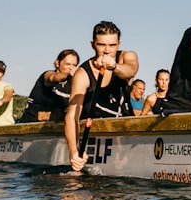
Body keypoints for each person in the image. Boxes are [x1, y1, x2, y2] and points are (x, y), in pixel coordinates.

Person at [65, 20, 140, 172]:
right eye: (101, 45)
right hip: (96, 136)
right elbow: (72, 115)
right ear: (92, 44)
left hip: (124, 136)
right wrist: (74, 151)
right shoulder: (82, 74)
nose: (107, 51)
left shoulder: (127, 57)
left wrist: (114, 66)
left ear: (118, 44)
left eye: (112, 45)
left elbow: (130, 71)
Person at [18, 49, 80, 123]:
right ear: (57, 63)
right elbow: (52, 78)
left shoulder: (73, 83)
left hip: (55, 128)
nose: (71, 68)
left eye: (74, 65)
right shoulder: (47, 75)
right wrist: (68, 75)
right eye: (68, 64)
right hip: (30, 126)